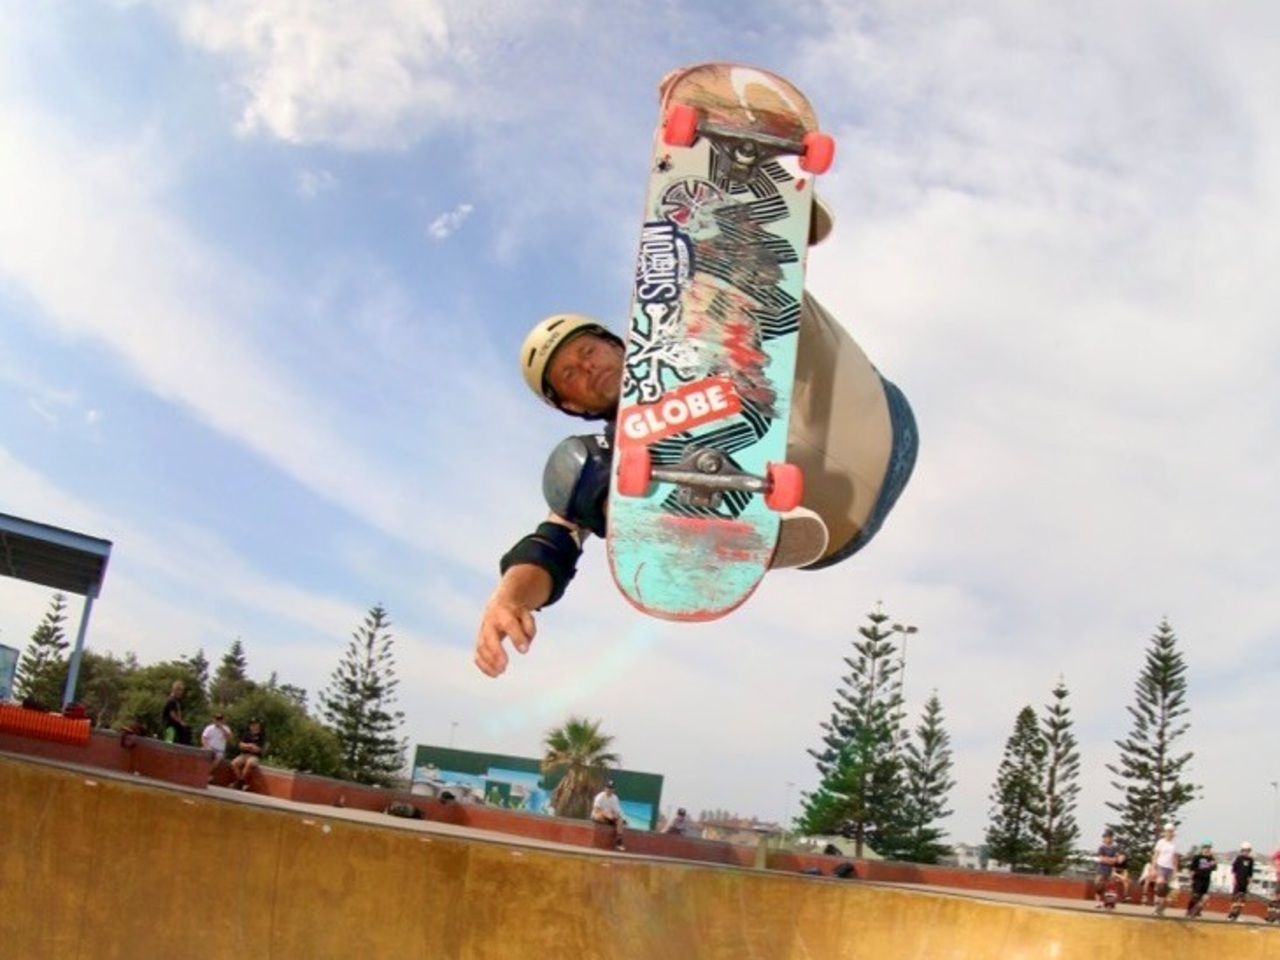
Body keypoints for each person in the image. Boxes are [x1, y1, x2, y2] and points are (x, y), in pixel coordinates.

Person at [475, 196, 918, 677]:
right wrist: (508, 597)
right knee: (579, 468)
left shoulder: (686, 337)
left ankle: (754, 231)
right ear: (573, 406)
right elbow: (550, 546)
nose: (585, 367)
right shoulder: (610, 459)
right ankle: (726, 519)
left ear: (616, 344)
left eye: (586, 351)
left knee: (701, 298)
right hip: (823, 512)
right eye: (570, 376)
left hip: (864, 419)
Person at [229, 717, 265, 791]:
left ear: (258, 725)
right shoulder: (246, 734)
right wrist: (249, 746)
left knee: (249, 763)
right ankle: (241, 782)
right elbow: (240, 745)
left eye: (255, 724)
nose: (253, 726)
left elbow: (258, 749)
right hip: (244, 755)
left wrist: (248, 747)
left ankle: (239, 783)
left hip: (254, 756)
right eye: (252, 724)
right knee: (234, 763)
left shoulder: (262, 735)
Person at [1151, 823, 1179, 917]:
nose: (1169, 833)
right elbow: (1155, 855)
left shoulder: (1174, 844)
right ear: (1165, 832)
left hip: (1170, 868)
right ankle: (1156, 905)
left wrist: (1175, 871)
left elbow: (1175, 859)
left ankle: (1160, 909)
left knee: (1167, 892)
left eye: (1171, 831)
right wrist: (1153, 868)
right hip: (1161, 866)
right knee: (1161, 887)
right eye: (1168, 831)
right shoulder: (1161, 842)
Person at [591, 780, 626, 850]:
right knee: (598, 816)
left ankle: (619, 841)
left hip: (610, 818)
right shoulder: (600, 796)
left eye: (611, 788)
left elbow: (617, 811)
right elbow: (596, 809)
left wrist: (616, 816)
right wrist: (606, 815)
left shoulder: (615, 798)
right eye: (608, 788)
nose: (609, 790)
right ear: (605, 788)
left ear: (614, 789)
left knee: (620, 820)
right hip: (599, 816)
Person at [200, 712, 233, 779]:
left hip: (219, 751)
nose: (218, 721)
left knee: (217, 759)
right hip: (209, 748)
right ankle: (200, 772)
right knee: (201, 754)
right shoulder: (209, 728)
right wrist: (207, 746)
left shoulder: (226, 729)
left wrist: (221, 728)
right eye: (217, 719)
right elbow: (203, 738)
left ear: (223, 720)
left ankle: (206, 773)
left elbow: (229, 737)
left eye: (220, 719)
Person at [1228, 841, 1255, 920]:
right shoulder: (1239, 858)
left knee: (1242, 899)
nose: (1246, 852)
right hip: (1238, 881)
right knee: (1235, 898)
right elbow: (1234, 870)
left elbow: (1250, 872)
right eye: (1244, 850)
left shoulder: (1251, 860)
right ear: (1242, 850)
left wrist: (1250, 881)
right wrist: (1234, 879)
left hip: (1245, 882)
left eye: (1248, 850)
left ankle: (1236, 914)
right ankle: (1231, 913)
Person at [1093, 830, 1119, 907]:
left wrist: (1107, 859)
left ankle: (1109, 903)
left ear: (1111, 838)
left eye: (1108, 837)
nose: (1106, 839)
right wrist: (1109, 859)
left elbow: (1115, 860)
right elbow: (1101, 859)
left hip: (1110, 870)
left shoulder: (1114, 848)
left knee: (1110, 887)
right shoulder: (1101, 848)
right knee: (1098, 885)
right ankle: (1097, 902)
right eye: (1105, 837)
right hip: (1101, 870)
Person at [160, 680, 191, 745]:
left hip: (175, 726)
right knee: (169, 743)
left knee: (186, 732)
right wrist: (181, 722)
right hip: (170, 726)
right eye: (180, 690)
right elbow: (172, 714)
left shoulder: (176, 701)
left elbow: (178, 713)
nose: (181, 693)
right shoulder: (171, 700)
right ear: (175, 690)